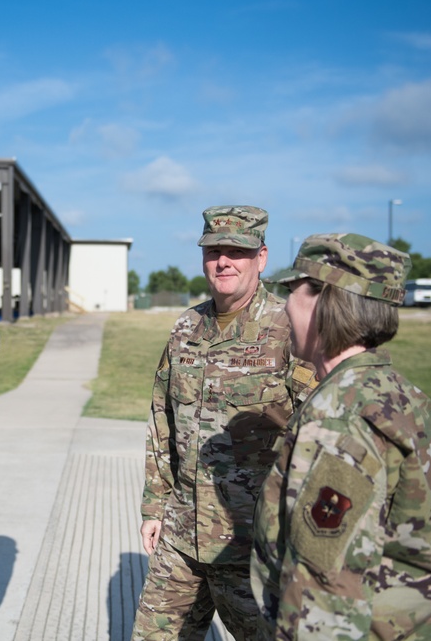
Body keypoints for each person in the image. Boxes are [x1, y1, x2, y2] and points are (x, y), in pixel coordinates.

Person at [251, 233, 431, 640]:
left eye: (292, 292)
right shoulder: (414, 404)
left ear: (324, 302)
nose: (283, 308)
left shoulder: (337, 418)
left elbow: (325, 592)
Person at [132, 206, 316, 640]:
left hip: (252, 545)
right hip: (181, 538)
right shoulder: (186, 327)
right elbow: (162, 418)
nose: (224, 261)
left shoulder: (288, 328)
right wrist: (154, 506)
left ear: (262, 258)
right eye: (214, 250)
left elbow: (315, 436)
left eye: (237, 251)